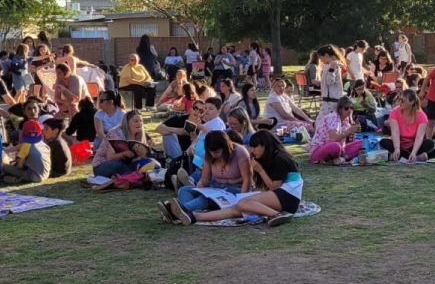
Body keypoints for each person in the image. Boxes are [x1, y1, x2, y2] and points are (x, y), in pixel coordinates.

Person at [163, 129, 300, 227]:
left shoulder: (279, 158)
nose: (252, 150)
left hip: (288, 196)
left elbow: (274, 187)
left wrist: (259, 169)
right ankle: (193, 216)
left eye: (254, 147)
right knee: (235, 209)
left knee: (241, 204)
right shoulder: (270, 157)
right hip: (281, 195)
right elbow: (205, 179)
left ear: (265, 145)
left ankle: (277, 215)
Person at [92, 107, 149, 179]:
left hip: (126, 164)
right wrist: (124, 154)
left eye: (141, 121)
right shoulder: (115, 134)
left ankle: (132, 175)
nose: (139, 123)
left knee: (152, 163)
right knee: (119, 166)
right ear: (127, 123)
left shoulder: (139, 135)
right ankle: (135, 175)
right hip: (102, 165)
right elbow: (110, 158)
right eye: (136, 121)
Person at [379, 89, 434, 163]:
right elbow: (395, 132)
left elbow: (419, 137)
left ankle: (403, 156)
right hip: (399, 144)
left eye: (403, 101)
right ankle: (414, 157)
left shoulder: (421, 116)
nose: (400, 103)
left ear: (412, 102)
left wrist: (414, 152)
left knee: (429, 143)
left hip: (413, 145)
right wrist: (397, 148)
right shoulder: (394, 112)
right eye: (399, 100)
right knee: (383, 142)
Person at [309, 97, 363, 164]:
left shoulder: (346, 120)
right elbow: (333, 138)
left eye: (351, 108)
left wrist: (352, 132)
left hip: (340, 149)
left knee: (362, 143)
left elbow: (346, 142)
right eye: (346, 108)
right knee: (335, 147)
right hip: (319, 149)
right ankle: (340, 158)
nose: (349, 110)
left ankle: (339, 158)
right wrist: (348, 131)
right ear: (340, 109)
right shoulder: (333, 117)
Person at [2, 119, 51, 185]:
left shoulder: (26, 146)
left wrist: (17, 160)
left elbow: (20, 166)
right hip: (46, 174)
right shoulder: (44, 145)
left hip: (35, 177)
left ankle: (15, 179)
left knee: (5, 167)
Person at [316, 45, 346, 118]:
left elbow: (330, 82)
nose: (320, 60)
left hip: (331, 101)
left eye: (320, 57)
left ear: (326, 55)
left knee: (322, 121)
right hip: (327, 99)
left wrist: (331, 69)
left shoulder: (334, 65)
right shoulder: (327, 65)